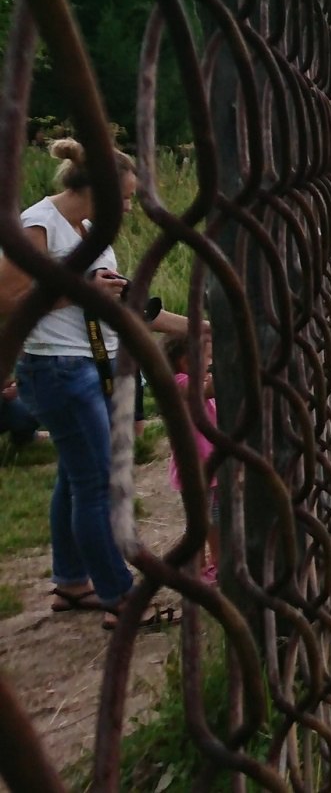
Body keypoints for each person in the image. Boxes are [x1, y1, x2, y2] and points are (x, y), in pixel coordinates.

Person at [0, 138, 189, 629]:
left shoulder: (87, 229)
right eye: (123, 197)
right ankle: (118, 596)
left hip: (88, 363)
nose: (128, 207)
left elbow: (112, 299)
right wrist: (79, 291)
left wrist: (194, 326)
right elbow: (7, 300)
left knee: (76, 474)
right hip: (56, 367)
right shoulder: (37, 225)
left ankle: (71, 581)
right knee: (97, 484)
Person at [164, 333, 220, 583]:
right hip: (194, 467)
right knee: (199, 522)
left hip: (212, 465)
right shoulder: (178, 382)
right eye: (206, 358)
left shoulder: (194, 379)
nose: (209, 363)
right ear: (186, 362)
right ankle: (196, 568)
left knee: (215, 519)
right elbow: (204, 392)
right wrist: (228, 369)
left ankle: (217, 562)